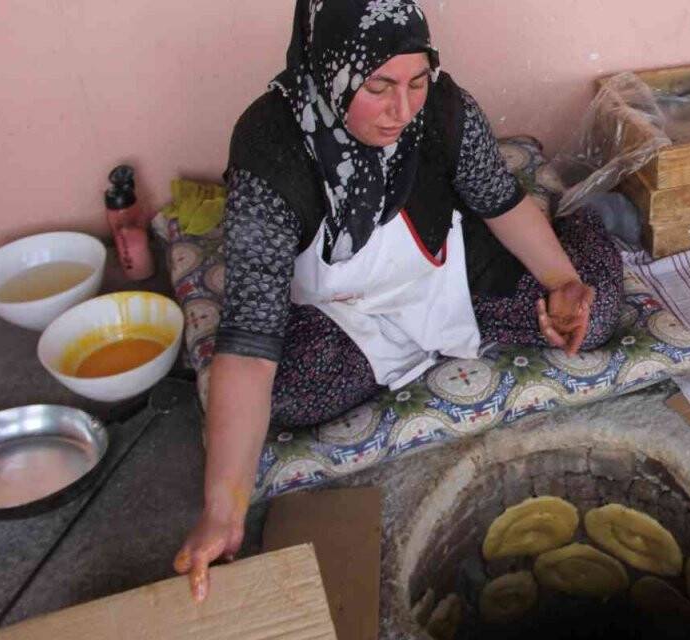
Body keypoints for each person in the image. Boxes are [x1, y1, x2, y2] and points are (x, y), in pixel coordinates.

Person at [172, 0, 622, 601]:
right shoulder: (270, 145)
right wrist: (223, 509)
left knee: (592, 318)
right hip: (343, 308)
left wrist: (564, 282)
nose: (402, 109)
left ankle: (584, 222)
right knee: (290, 390)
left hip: (446, 273)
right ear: (332, 70)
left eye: (416, 81)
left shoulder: (444, 110)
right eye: (378, 86)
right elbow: (250, 344)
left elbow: (500, 205)